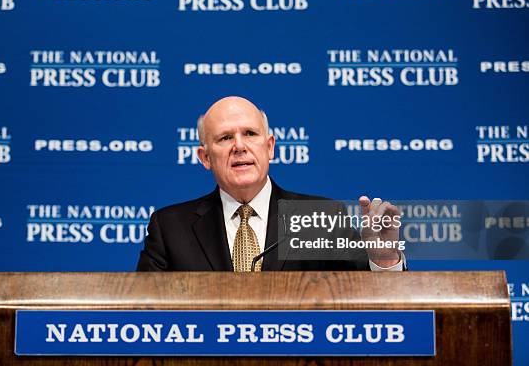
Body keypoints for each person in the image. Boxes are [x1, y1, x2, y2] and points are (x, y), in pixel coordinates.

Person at [136, 96, 405, 272]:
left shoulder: (321, 217)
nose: (239, 146)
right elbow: (143, 316)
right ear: (205, 157)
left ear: (270, 147)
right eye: (225, 138)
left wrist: (383, 261)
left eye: (250, 134)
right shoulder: (170, 228)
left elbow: (371, 311)